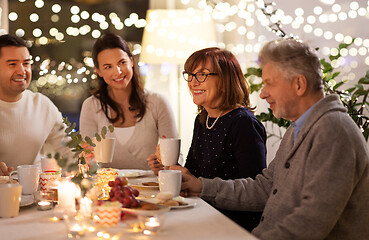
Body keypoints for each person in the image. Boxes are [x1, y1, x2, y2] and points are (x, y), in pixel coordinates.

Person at [180, 39, 369, 239]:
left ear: (299, 84)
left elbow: (309, 223)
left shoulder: (333, 132)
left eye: (269, 83)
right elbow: (265, 187)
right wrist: (201, 186)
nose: (262, 94)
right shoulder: (299, 128)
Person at [148, 47, 267, 231]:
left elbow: (254, 191)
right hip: (200, 212)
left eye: (202, 75)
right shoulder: (203, 119)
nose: (193, 82)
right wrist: (166, 168)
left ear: (225, 80)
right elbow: (192, 175)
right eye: (190, 75)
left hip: (230, 224)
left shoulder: (243, 123)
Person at [80, 33, 177, 170]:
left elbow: (176, 158)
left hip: (150, 188)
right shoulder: (91, 106)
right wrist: (87, 160)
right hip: (107, 188)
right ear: (99, 71)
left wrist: (163, 164)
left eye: (122, 62)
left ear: (131, 61)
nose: (118, 72)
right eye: (108, 67)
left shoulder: (157, 102)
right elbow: (87, 159)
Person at [0, 34, 70, 176]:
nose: (22, 71)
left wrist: (87, 155)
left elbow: (68, 148)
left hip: (33, 193)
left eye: (26, 63)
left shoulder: (41, 105)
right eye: (12, 64)